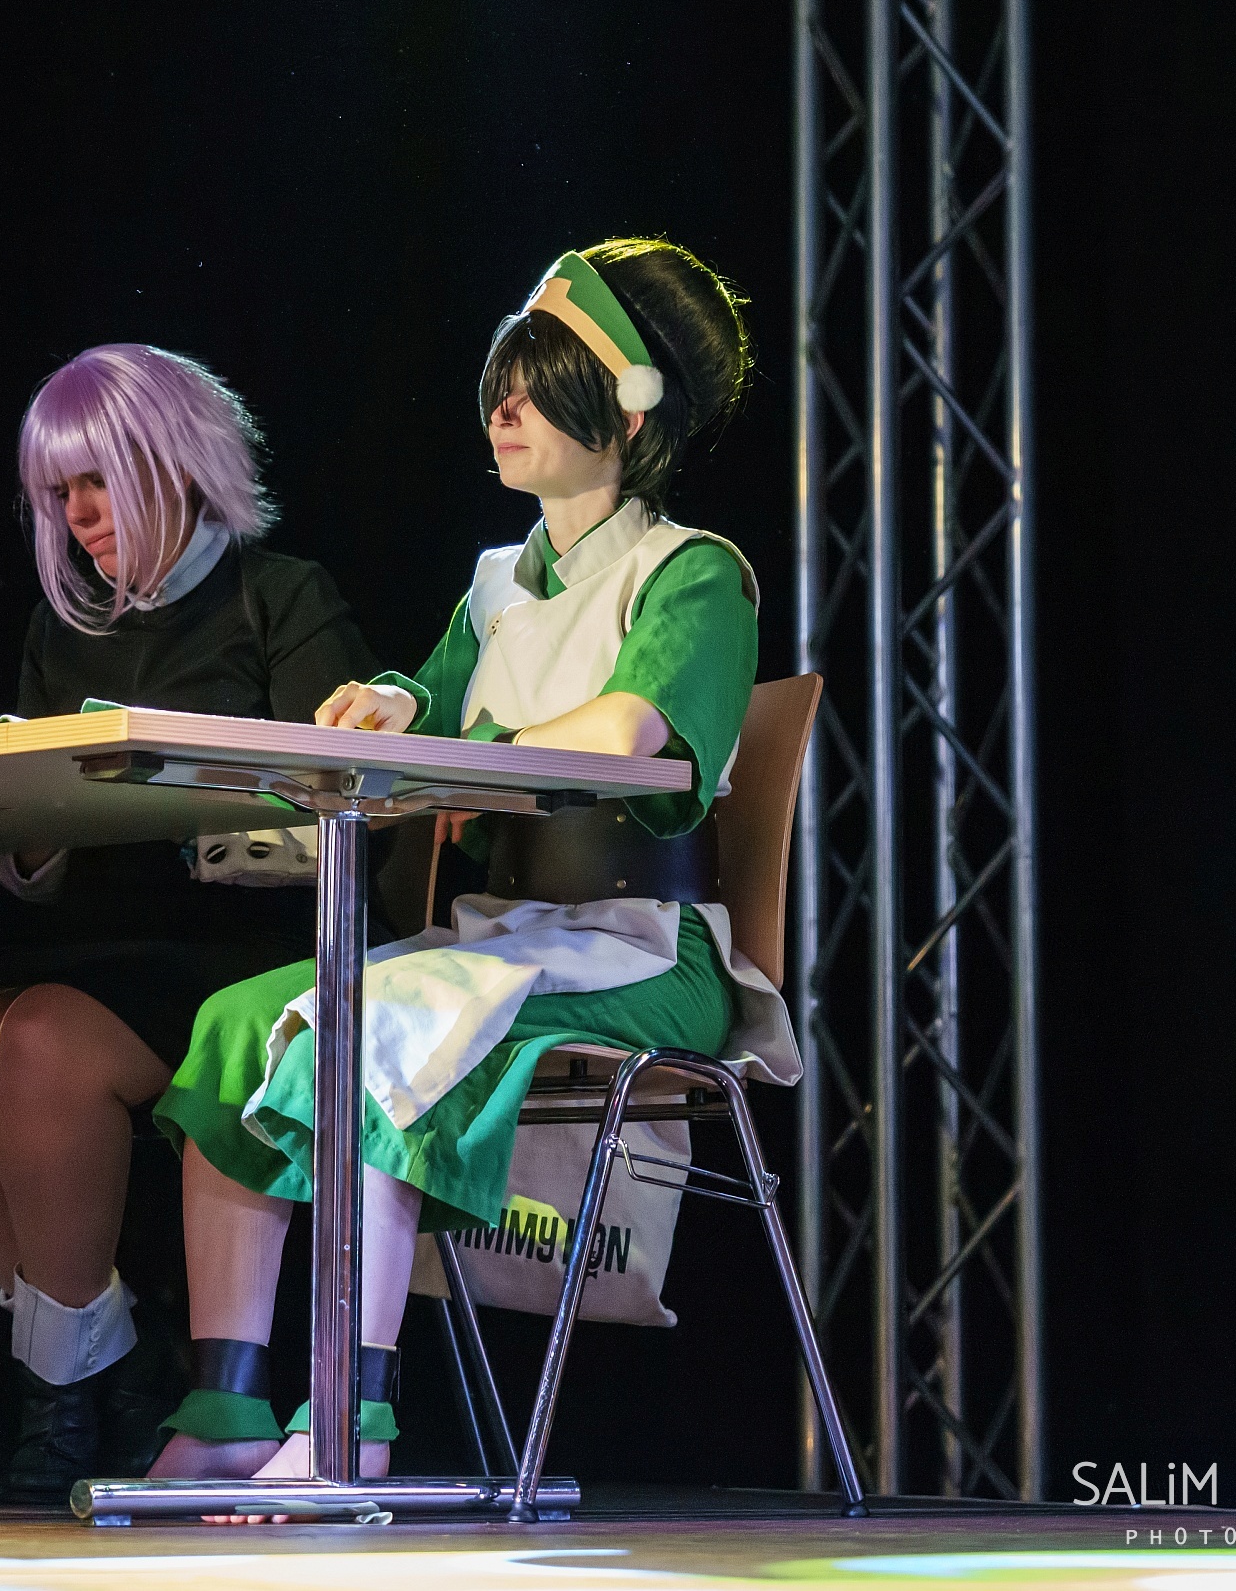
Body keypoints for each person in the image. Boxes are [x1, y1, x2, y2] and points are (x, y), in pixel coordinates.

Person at [149, 240, 800, 1499]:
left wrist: (461, 746)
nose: (502, 405)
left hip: (644, 953)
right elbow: (433, 695)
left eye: (538, 382)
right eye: (501, 378)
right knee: (237, 1022)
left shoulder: (692, 573)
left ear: (628, 410)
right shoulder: (497, 584)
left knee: (374, 1023)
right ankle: (225, 1402)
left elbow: (626, 732)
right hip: (505, 937)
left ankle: (353, 1416)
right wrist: (391, 702)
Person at [0, 344, 380, 1495]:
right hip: (99, 956)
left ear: (175, 464)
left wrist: (194, 815)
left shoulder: (281, 597)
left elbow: (350, 815)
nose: (78, 514)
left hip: (246, 961)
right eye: (60, 491)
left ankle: (59, 1396)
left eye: (98, 480)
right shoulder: (63, 631)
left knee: (44, 1035)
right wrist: (21, 818)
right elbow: (41, 859)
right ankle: (110, 1350)